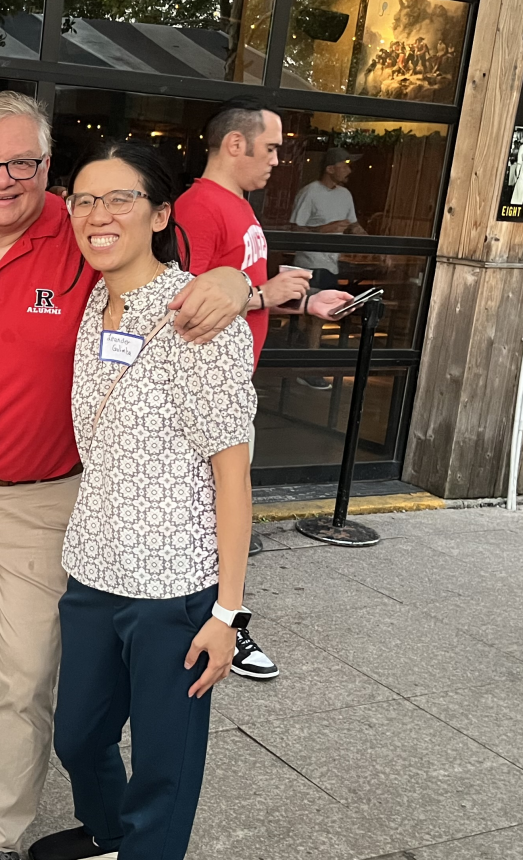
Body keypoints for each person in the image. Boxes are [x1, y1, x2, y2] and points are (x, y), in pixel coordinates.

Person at [0, 92, 249, 860]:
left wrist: (242, 283)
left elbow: (180, 276)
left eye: (22, 161)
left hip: (44, 498)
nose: (1, 178)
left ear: (46, 169)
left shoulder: (82, 231)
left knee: (24, 677)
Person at [24, 140, 255, 860]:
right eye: (84, 199)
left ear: (159, 214)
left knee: (163, 764)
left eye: (119, 199)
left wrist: (226, 612)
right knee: (78, 736)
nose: (97, 215)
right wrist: (255, 283)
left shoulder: (197, 316)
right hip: (92, 570)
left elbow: (233, 477)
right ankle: (107, 830)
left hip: (174, 589)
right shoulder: (91, 298)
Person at [172, 97, 352, 681]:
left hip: (229, 385)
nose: (278, 159)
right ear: (234, 144)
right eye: (271, 147)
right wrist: (266, 296)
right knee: (216, 517)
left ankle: (219, 621)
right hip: (207, 391)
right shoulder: (200, 208)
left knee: (222, 515)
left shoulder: (236, 207)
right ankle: (224, 626)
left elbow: (246, 292)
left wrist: (302, 301)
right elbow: (186, 305)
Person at [288, 146, 366, 388]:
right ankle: (309, 369)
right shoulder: (309, 192)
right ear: (330, 169)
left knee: (315, 318)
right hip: (309, 264)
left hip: (332, 264)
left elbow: (354, 226)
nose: (350, 170)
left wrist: (377, 245)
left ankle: (299, 352)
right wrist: (321, 230)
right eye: (345, 164)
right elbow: (295, 229)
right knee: (316, 320)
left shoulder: (346, 195)